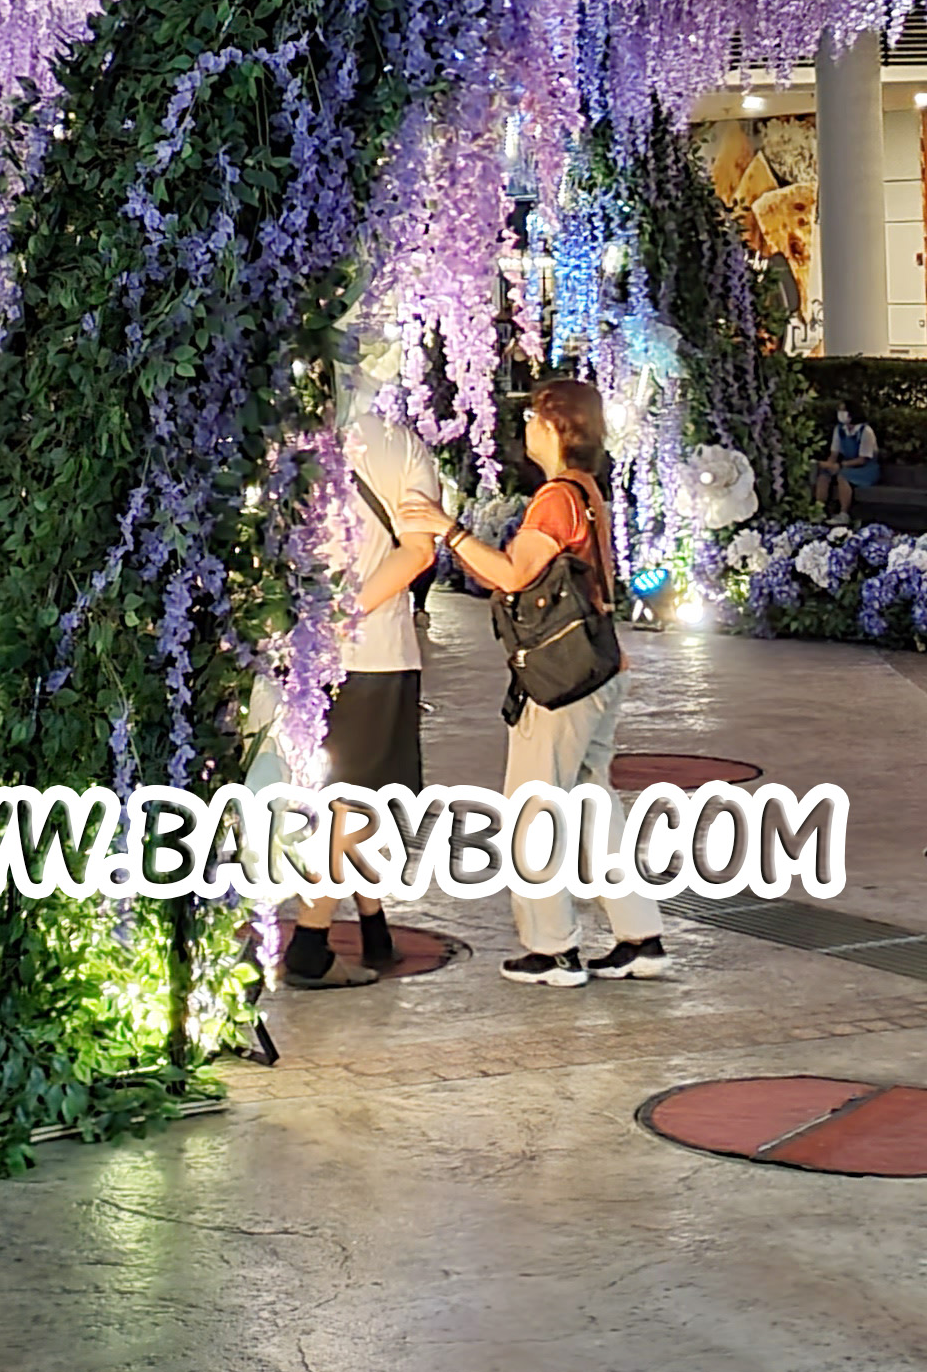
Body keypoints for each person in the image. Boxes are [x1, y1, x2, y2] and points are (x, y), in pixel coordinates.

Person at [398, 376, 668, 989]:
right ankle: (639, 935)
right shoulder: (586, 490)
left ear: (555, 428)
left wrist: (450, 531)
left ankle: (553, 948)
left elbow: (514, 575)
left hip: (561, 678)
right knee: (593, 805)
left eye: (532, 420)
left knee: (534, 808)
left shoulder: (554, 497)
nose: (524, 430)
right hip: (599, 667)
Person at [285, 399, 445, 989]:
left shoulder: (283, 440)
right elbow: (419, 551)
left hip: (297, 657)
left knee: (345, 798)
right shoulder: (399, 446)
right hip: (373, 653)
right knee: (354, 804)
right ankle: (310, 942)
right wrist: (342, 616)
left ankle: (373, 922)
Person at [810, 401, 883, 519]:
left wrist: (840, 465)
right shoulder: (839, 430)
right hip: (846, 465)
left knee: (843, 476)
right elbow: (834, 454)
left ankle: (844, 514)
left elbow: (862, 459)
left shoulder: (865, 431)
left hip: (866, 469)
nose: (840, 413)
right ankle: (819, 511)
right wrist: (827, 465)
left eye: (843, 410)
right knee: (824, 475)